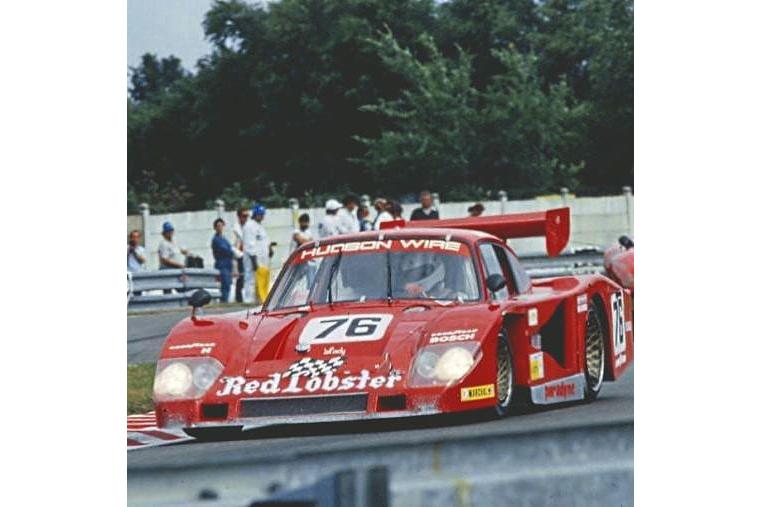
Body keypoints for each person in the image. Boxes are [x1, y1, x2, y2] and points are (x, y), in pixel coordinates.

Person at [248, 204, 276, 304]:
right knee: (254, 283)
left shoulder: (260, 226)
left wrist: (270, 249)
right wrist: (254, 262)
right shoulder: (249, 226)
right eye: (261, 214)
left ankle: (261, 301)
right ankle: (252, 302)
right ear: (255, 214)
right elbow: (250, 245)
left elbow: (265, 241)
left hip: (264, 261)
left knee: (264, 283)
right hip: (256, 262)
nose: (262, 217)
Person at [211, 218, 234, 303]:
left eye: (221, 226)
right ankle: (224, 301)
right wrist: (232, 252)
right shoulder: (216, 239)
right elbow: (225, 250)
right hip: (222, 264)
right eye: (218, 226)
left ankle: (225, 300)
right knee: (225, 284)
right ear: (215, 227)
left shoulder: (223, 238)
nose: (220, 228)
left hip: (228, 264)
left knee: (228, 284)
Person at [232, 207, 250, 303]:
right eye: (244, 216)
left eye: (247, 216)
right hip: (239, 257)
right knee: (240, 279)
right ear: (239, 216)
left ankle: (246, 299)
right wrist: (241, 255)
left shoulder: (248, 227)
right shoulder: (235, 230)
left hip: (247, 257)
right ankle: (239, 299)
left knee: (247, 279)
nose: (246, 218)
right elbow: (232, 247)